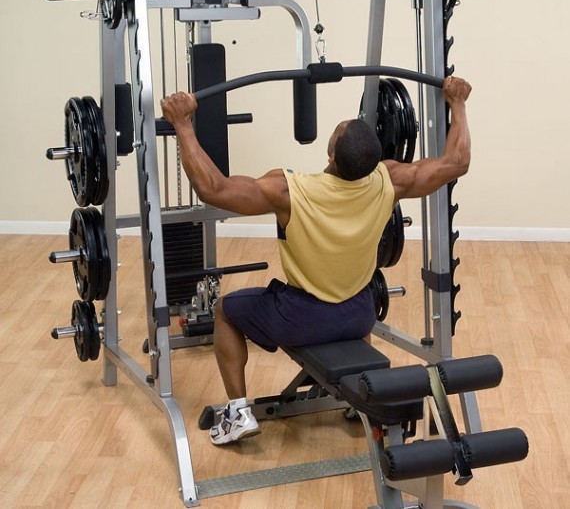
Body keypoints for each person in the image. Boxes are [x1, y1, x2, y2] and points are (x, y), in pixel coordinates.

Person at [160, 75, 472, 446]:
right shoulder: (389, 181)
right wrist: (457, 104)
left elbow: (213, 189)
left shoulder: (290, 191)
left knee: (225, 310)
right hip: (360, 314)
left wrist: (182, 124)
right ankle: (357, 400)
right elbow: (457, 162)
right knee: (355, 294)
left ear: (331, 156)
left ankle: (238, 414)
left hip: (300, 319)